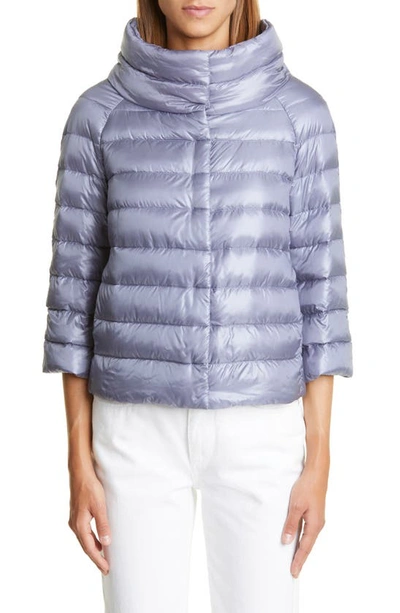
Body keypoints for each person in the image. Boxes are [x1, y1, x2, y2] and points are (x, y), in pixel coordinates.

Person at [42, 1, 353, 612]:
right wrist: (78, 460)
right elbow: (71, 299)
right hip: (133, 430)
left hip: (262, 428)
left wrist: (319, 458)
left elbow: (322, 293)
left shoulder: (301, 116)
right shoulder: (98, 116)